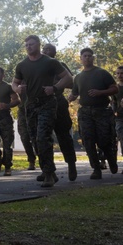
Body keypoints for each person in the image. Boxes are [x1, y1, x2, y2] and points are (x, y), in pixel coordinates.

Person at [13, 36, 73, 187]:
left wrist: (55, 88)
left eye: (31, 44)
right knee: (35, 140)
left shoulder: (51, 62)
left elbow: (68, 78)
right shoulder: (22, 65)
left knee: (43, 137)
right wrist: (17, 88)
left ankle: (50, 173)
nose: (28, 47)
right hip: (30, 105)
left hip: (48, 104)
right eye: (26, 45)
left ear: (38, 45)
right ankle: (49, 170)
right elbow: (14, 82)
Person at [68, 48, 119, 179]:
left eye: (90, 56)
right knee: (88, 141)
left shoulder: (101, 73)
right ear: (81, 58)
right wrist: (70, 98)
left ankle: (111, 160)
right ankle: (96, 168)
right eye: (85, 56)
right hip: (85, 112)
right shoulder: (78, 77)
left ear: (93, 58)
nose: (87, 58)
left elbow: (114, 88)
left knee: (104, 140)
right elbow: (74, 93)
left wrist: (100, 92)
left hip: (102, 111)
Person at [40, 43, 79, 181]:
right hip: (40, 103)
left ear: (54, 53)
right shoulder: (35, 65)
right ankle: (48, 170)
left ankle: (71, 164)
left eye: (48, 49)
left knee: (63, 135)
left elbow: (71, 83)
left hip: (58, 102)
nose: (45, 51)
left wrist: (56, 83)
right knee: (42, 137)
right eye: (43, 49)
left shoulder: (59, 65)